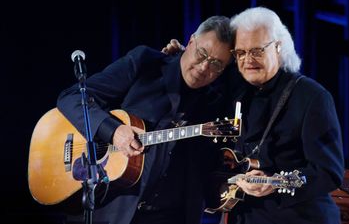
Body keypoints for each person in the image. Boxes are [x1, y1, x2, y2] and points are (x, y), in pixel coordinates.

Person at [56, 15, 233, 224]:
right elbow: (72, 98)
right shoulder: (146, 63)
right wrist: (113, 131)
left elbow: (211, 174)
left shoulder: (217, 104)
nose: (204, 67)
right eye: (202, 54)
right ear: (191, 41)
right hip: (110, 212)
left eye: (216, 64)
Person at [223, 6, 344, 224]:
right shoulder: (237, 93)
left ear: (278, 47)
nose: (247, 59)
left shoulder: (313, 96)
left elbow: (328, 172)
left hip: (300, 217)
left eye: (257, 50)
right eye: (240, 52)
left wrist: (276, 182)